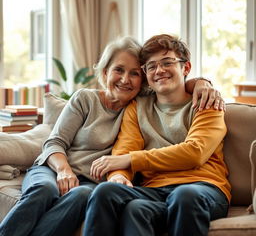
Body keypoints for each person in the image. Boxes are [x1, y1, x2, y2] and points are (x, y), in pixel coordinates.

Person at [0, 36, 222, 236]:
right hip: (55, 168)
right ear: (105, 72)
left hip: (93, 181)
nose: (126, 79)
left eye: (135, 73)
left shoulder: (145, 104)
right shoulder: (90, 100)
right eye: (119, 70)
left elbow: (186, 148)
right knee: (44, 189)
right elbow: (57, 141)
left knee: (81, 196)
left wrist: (201, 82)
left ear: (142, 80)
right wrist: (71, 171)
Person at [84, 34, 231, 236]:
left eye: (167, 63)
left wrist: (130, 160)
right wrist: (118, 175)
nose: (159, 70)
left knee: (184, 195)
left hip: (203, 188)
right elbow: (125, 148)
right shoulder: (137, 107)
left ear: (185, 68)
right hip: (155, 191)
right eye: (151, 66)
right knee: (106, 193)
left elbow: (194, 153)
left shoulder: (207, 103)